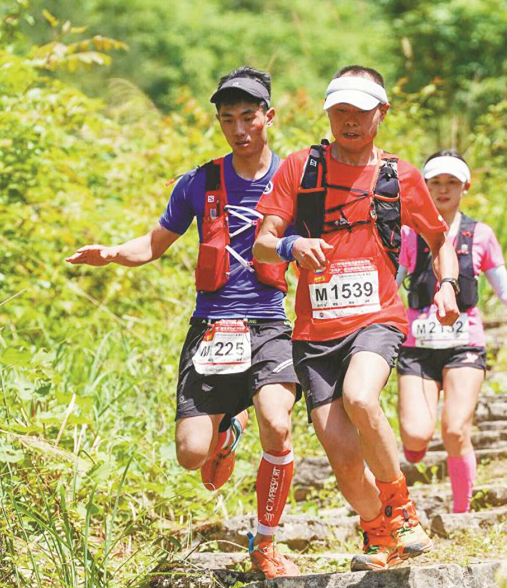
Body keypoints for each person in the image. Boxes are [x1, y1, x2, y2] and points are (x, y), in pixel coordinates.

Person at [66, 67, 301, 579]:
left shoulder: (293, 179)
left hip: (268, 324)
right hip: (213, 327)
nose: (238, 129)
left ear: (269, 117)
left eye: (248, 117)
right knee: (193, 457)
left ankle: (265, 541)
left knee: (278, 425)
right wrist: (111, 253)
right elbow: (154, 243)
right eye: (227, 119)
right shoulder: (198, 182)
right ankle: (226, 431)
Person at [253, 66, 460, 571]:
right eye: (340, 111)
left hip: (377, 317)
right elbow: (261, 241)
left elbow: (439, 241)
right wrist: (291, 244)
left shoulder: (401, 176)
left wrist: (448, 286)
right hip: (314, 331)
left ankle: (402, 509)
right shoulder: (301, 168)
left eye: (360, 112)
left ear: (381, 114)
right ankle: (377, 531)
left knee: (361, 396)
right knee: (342, 458)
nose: (349, 121)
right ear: (328, 113)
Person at [395, 150, 507, 514]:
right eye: (436, 183)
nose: (443, 190)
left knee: (456, 429)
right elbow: (392, 283)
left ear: (465, 187)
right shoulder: (410, 235)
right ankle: (414, 448)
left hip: (464, 344)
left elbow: (503, 288)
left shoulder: (481, 235)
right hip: (418, 347)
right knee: (416, 436)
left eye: (451, 183)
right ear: (425, 187)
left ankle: (461, 513)